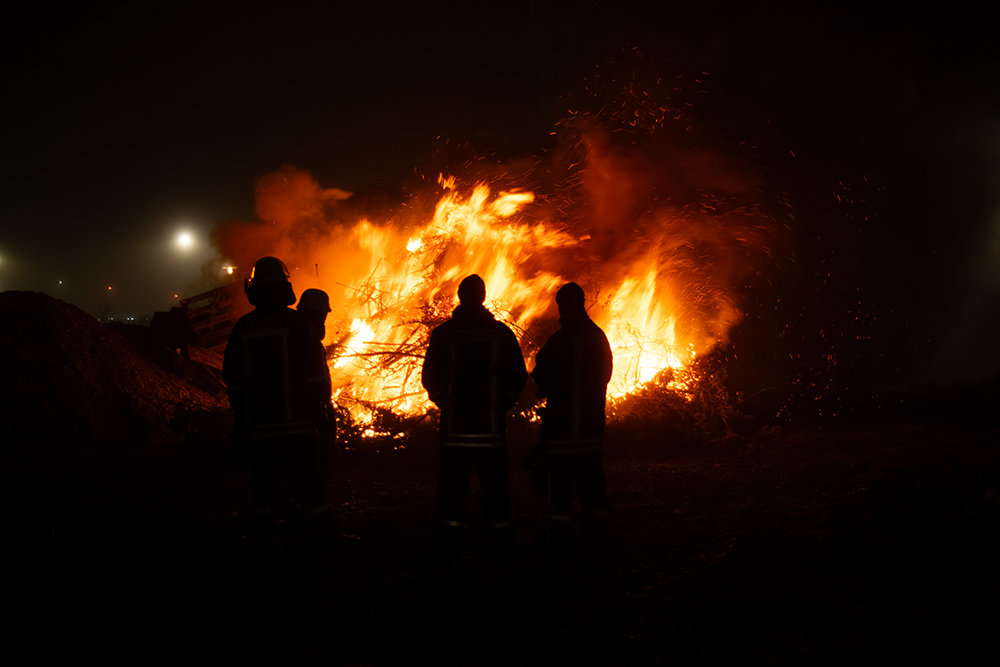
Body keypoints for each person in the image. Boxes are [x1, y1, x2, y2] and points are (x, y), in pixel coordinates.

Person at [223, 257, 335, 554]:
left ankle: (264, 545)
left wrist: (243, 417)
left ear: (255, 289)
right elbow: (316, 374)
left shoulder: (243, 328)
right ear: (285, 287)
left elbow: (233, 380)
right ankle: (323, 543)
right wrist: (319, 409)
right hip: (299, 428)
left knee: (263, 491)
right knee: (311, 487)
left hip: (259, 429)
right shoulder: (299, 324)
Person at [421, 274, 527, 551]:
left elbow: (430, 378)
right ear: (481, 297)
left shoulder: (444, 334)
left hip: (454, 433)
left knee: (451, 493)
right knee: (495, 494)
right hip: (490, 434)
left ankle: (444, 546)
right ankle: (502, 547)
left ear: (460, 297)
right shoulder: (501, 334)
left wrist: (447, 403)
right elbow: (517, 377)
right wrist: (500, 406)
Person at [529, 282, 613, 547]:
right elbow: (607, 374)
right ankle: (596, 535)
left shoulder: (560, 341)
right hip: (590, 429)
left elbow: (540, 377)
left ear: (563, 307)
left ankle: (557, 538)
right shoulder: (599, 337)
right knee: (592, 484)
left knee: (560, 488)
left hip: (563, 431)